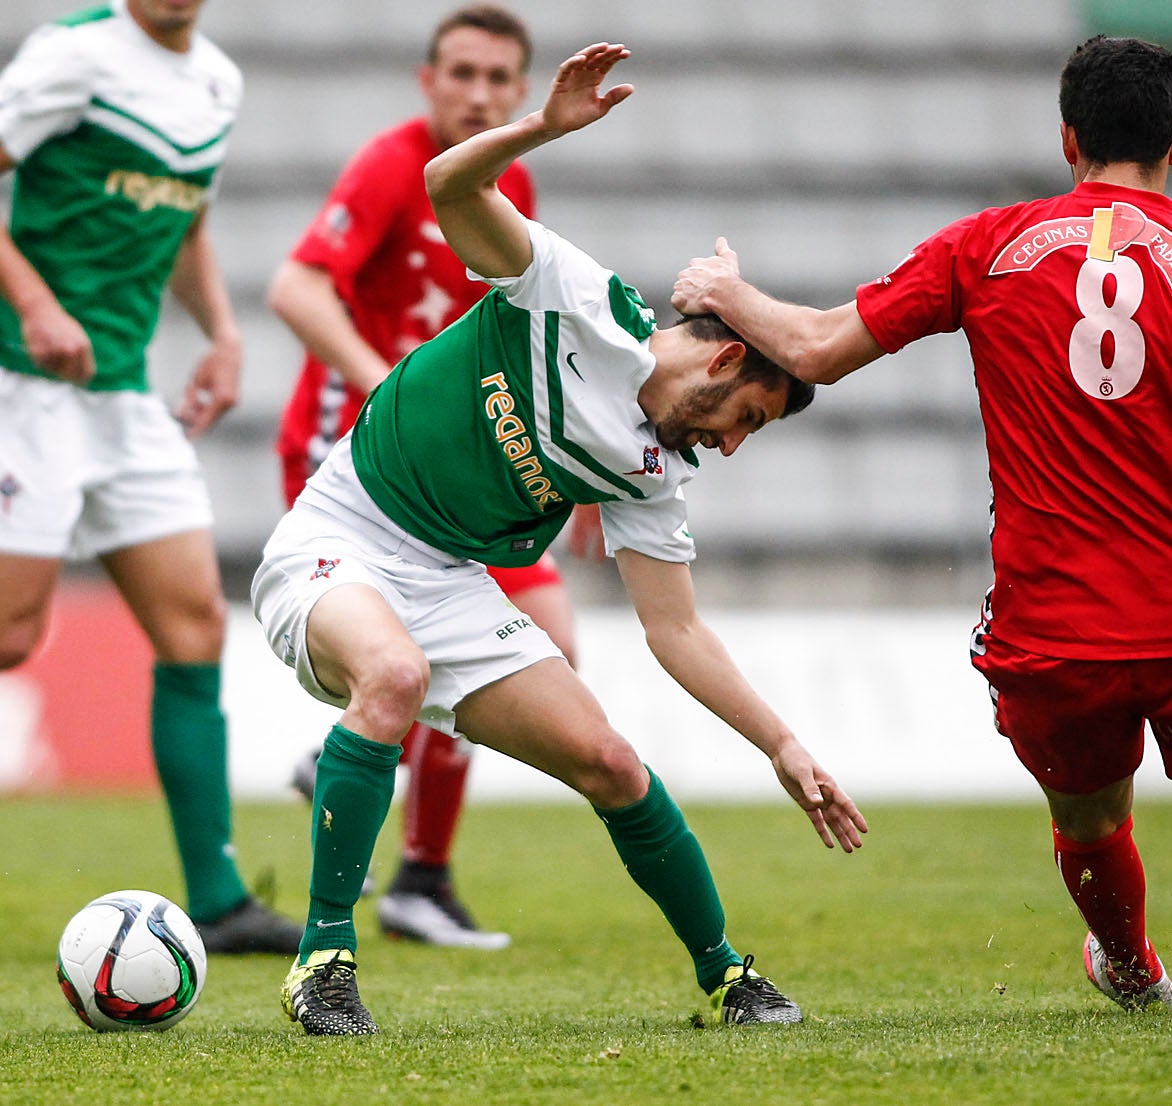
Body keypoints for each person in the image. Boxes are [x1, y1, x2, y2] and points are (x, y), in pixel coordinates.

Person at [671, 34, 1172, 1012]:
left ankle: (1133, 967)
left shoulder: (982, 246)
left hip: (1052, 638)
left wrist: (726, 293)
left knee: (1093, 818)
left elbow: (813, 347)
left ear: (1067, 139)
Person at [253, 42, 868, 1036]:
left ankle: (727, 974)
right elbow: (446, 183)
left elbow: (679, 633)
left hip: (448, 582)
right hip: (338, 539)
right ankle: (324, 957)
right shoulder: (573, 297)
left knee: (613, 762)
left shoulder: (656, 468)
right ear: (721, 355)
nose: (732, 443)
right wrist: (539, 127)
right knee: (395, 676)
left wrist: (783, 746)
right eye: (746, 415)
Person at [268, 3, 604, 950]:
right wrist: (388, 387)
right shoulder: (391, 164)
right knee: (430, 654)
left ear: (521, 89)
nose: (480, 93)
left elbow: (521, 337)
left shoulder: (513, 179)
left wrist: (572, 471)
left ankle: (413, 865)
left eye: (500, 79)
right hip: (357, 455)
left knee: (551, 640)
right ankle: (413, 865)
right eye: (462, 73)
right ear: (428, 80)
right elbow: (296, 286)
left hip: (457, 464)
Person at [0, 0, 300, 954]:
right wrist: (39, 305)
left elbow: (188, 218)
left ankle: (215, 898)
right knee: (10, 638)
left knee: (194, 624)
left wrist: (220, 330)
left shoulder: (217, 80)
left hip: (124, 396)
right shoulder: (73, 55)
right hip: (24, 382)